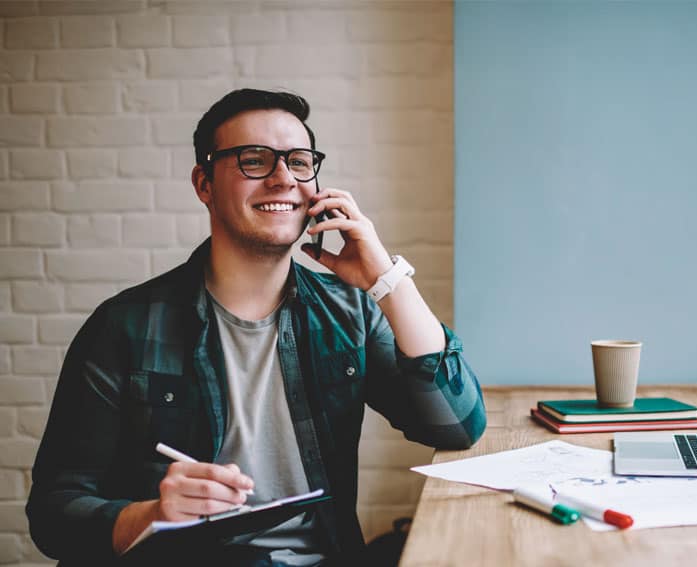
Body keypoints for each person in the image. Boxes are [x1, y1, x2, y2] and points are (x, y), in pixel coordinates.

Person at [26, 89, 487, 566]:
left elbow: (457, 424)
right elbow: (53, 513)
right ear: (204, 184)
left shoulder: (347, 312)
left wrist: (386, 281)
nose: (283, 178)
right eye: (254, 160)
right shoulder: (124, 326)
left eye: (299, 161)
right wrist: (153, 514)